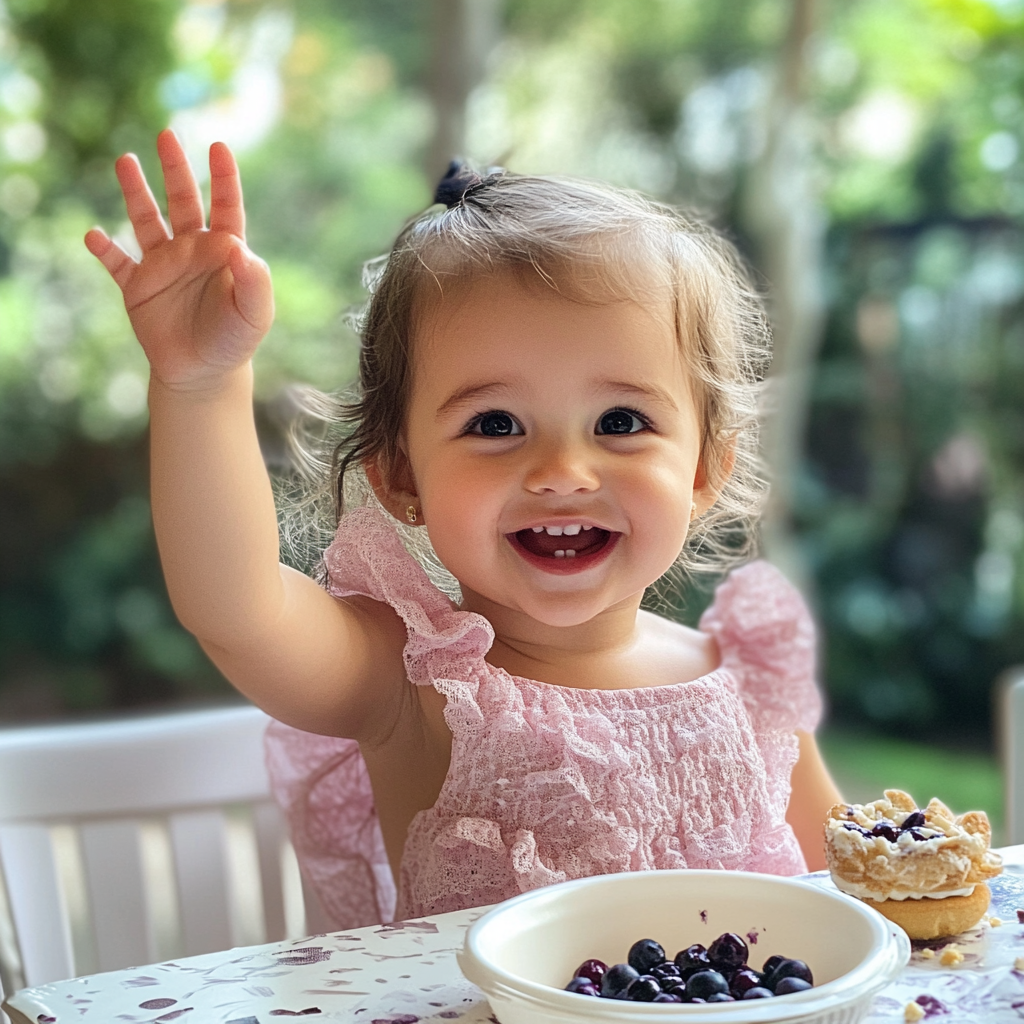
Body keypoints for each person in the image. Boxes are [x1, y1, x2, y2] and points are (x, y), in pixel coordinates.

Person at [85, 128, 842, 931]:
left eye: (620, 420)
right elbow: (234, 607)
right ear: (402, 476)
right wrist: (202, 386)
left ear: (703, 470)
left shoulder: (751, 682)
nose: (561, 470)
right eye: (495, 423)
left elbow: (856, 901)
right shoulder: (411, 681)